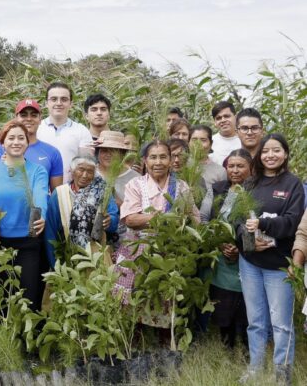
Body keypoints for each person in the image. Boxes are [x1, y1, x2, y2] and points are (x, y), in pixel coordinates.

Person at [237, 134, 304, 384]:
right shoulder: (250, 183)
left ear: (285, 154)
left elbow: (292, 222)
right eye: (266, 151)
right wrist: (249, 240)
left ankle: (281, 374)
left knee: (281, 324)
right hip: (251, 262)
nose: (270, 155)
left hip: (279, 264)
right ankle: (255, 369)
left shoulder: (292, 184)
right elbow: (235, 219)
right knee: (255, 321)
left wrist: (264, 223)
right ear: (259, 155)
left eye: (276, 150)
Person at [116, 140, 199, 321]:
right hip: (138, 250)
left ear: (170, 160)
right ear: (145, 161)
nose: (158, 162)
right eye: (153, 157)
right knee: (133, 298)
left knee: (165, 298)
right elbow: (130, 219)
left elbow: (193, 220)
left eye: (163, 157)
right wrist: (163, 218)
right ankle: (135, 340)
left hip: (170, 250)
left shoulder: (181, 186)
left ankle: (162, 342)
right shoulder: (136, 185)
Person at [0, 121, 49, 309]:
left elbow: (40, 194)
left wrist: (40, 215)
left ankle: (27, 338)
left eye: (21, 138)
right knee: (1, 299)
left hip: (28, 241)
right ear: (2, 143)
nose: (16, 142)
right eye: (11, 138)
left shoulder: (37, 170)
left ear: (27, 143)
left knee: (28, 298)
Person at [204, 149, 253, 349]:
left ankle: (247, 349)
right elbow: (205, 218)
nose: (234, 170)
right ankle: (227, 347)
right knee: (223, 306)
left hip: (246, 256)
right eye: (230, 166)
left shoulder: (255, 191)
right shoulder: (218, 188)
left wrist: (239, 247)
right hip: (221, 257)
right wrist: (219, 242)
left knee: (245, 306)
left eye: (240, 166)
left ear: (250, 168)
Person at [45, 156, 119, 268]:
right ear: (72, 171)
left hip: (97, 257)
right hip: (67, 256)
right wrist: (56, 265)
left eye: (90, 171)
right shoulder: (60, 194)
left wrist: (110, 221)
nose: (85, 175)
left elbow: (113, 221)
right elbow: (51, 231)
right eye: (81, 170)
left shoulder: (103, 191)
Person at [0, 99, 63, 191]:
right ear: (16, 118)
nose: (29, 119)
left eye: (34, 115)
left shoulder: (52, 152)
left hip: (40, 204)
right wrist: (2, 166)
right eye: (23, 115)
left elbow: (56, 195)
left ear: (40, 119)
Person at [36, 83, 94, 182]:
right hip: (38, 189)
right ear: (46, 103)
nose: (59, 103)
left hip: (70, 192)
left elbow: (87, 165)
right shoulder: (36, 128)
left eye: (64, 99)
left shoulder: (81, 130)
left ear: (71, 103)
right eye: (54, 99)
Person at [94, 130, 138, 206]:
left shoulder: (135, 179)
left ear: (122, 154)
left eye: (113, 151)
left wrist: (120, 206)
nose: (108, 155)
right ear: (98, 153)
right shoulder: (88, 173)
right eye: (104, 151)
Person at [210, 101, 241, 166]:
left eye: (227, 116)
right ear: (215, 122)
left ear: (236, 117)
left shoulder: (244, 140)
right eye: (218, 118)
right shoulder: (209, 142)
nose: (223, 120)